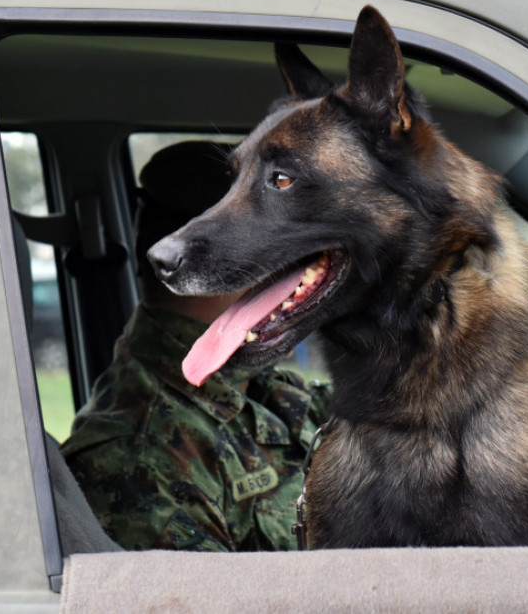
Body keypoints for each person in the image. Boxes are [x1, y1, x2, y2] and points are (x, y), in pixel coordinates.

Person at [61, 141, 331, 551]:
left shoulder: (251, 382)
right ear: (231, 257)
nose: (295, 268)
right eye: (283, 248)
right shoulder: (142, 457)